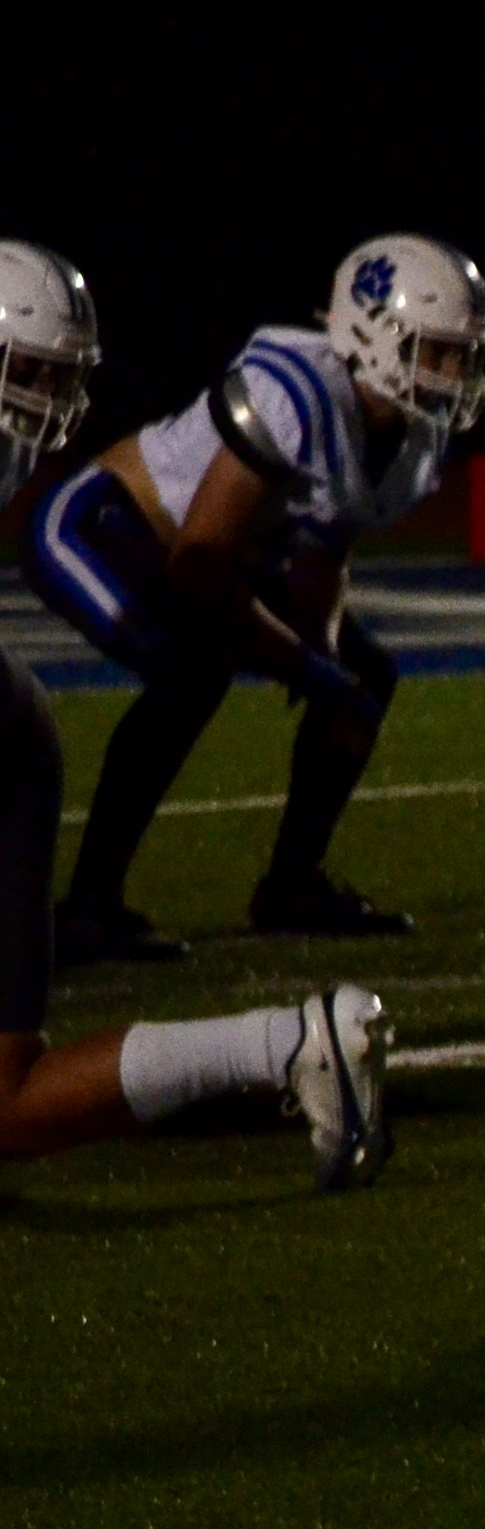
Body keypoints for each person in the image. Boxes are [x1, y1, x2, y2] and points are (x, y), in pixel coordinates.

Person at [0, 238, 391, 1191]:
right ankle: (291, 1044)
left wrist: (311, 655)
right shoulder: (298, 390)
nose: (44, 399)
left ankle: (144, 901)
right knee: (5, 1105)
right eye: (29, 372)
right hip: (19, 716)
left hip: (7, 730)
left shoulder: (381, 430)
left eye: (52, 376)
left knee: (194, 678)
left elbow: (294, 554)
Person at [18, 236, 485, 960]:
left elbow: (326, 547)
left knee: (364, 677)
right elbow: (198, 560)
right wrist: (300, 664)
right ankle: (88, 906)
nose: (457, 373)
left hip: (223, 553)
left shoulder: (412, 434)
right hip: (106, 528)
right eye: (441, 352)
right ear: (374, 336)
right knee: (191, 675)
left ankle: (293, 885)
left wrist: (323, 653)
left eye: (463, 355)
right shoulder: (291, 391)